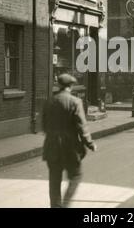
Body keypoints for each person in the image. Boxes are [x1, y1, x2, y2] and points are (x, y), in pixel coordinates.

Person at [42, 74, 97, 208]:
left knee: (54, 180)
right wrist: (90, 143)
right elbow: (82, 126)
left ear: (59, 85)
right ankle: (65, 205)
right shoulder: (75, 102)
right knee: (76, 176)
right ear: (71, 86)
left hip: (51, 146)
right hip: (69, 147)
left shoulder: (49, 101)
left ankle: (56, 206)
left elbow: (43, 125)